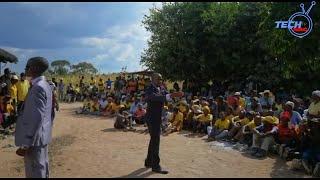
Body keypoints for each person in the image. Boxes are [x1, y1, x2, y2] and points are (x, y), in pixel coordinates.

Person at [15, 57, 53, 178]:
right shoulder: (46, 85)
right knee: (42, 167)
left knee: (35, 171)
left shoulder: (38, 88)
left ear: (34, 68)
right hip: (42, 136)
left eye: (27, 66)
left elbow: (36, 119)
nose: (25, 69)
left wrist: (26, 144)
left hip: (34, 141)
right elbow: (50, 114)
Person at [144, 73, 183, 174]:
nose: (160, 81)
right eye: (158, 79)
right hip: (151, 118)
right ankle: (155, 166)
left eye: (161, 79)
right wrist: (171, 95)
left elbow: (167, 96)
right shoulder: (149, 89)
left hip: (158, 118)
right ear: (152, 79)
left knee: (154, 139)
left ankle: (148, 162)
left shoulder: (161, 88)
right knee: (155, 139)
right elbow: (155, 97)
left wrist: (176, 96)